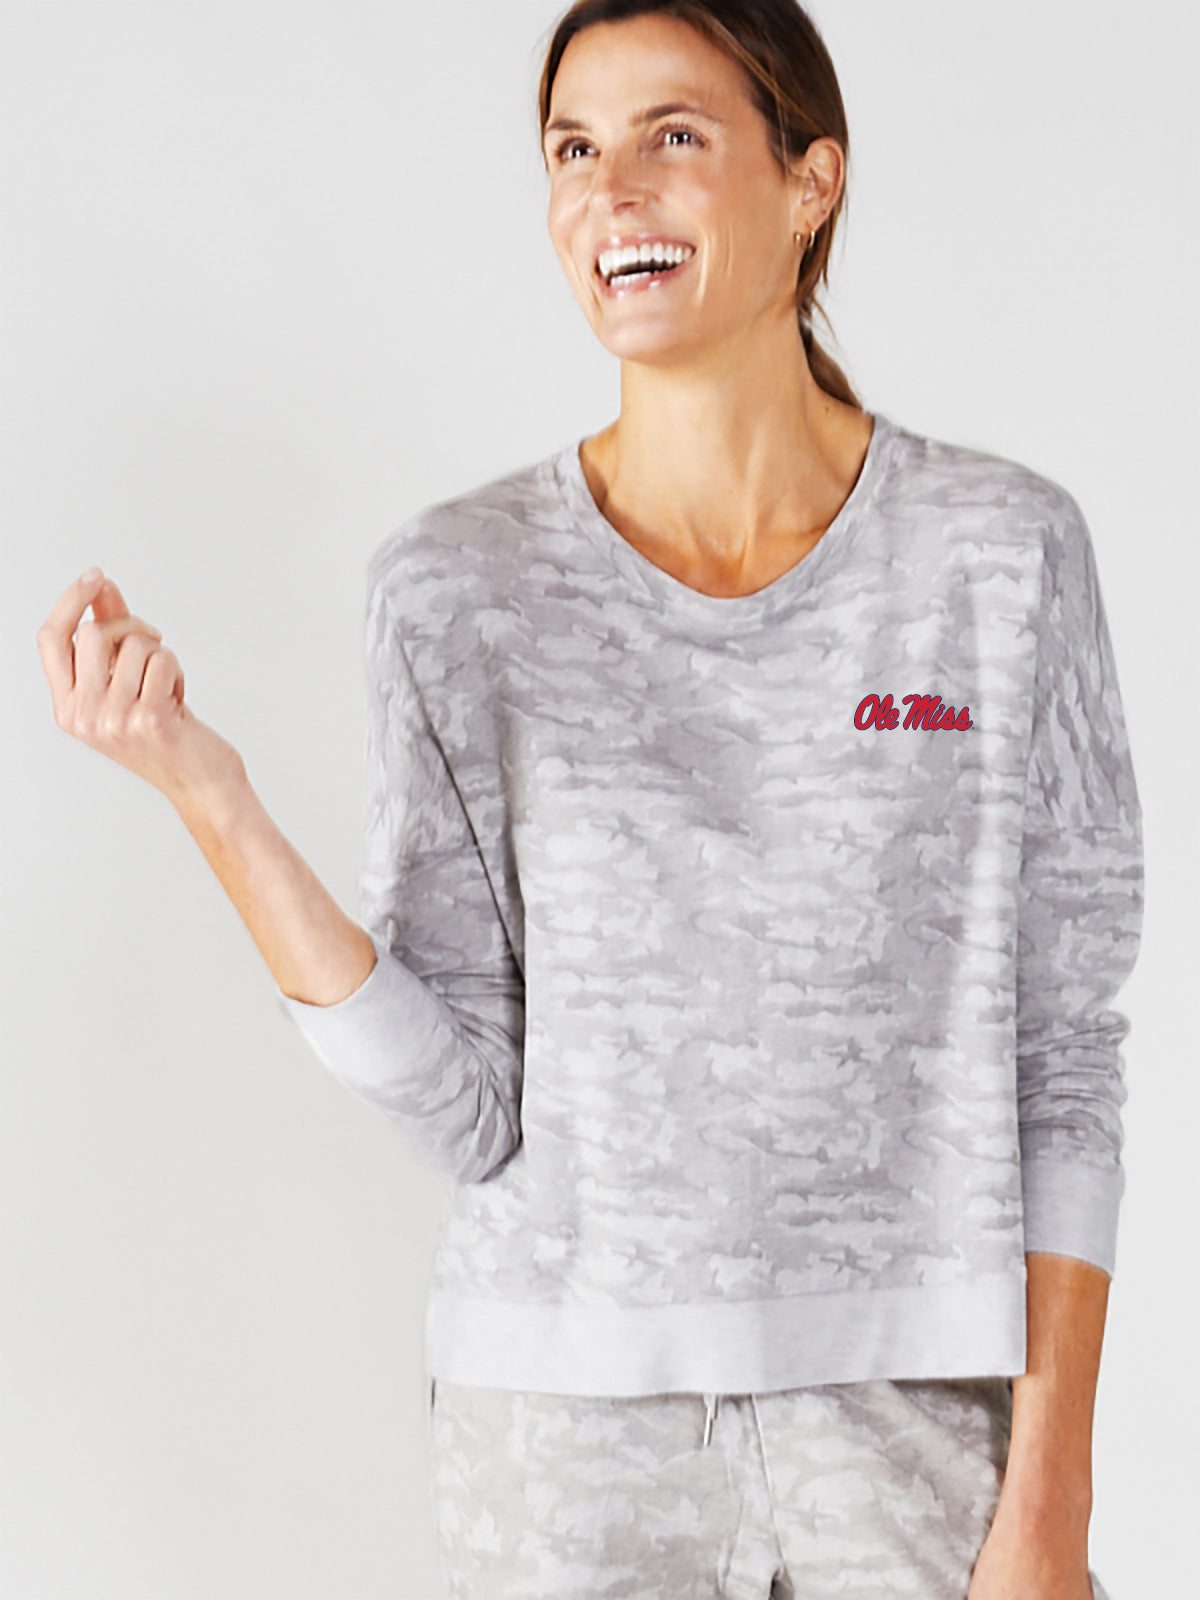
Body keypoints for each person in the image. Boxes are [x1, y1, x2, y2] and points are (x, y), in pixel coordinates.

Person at [36, 2, 1141, 1597]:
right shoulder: (455, 590)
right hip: (562, 1443)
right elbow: (466, 1108)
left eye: (672, 136)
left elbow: (1065, 1053)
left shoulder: (1000, 554)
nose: (610, 192)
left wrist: (1054, 1494)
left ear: (812, 180)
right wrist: (210, 797)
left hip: (913, 1426)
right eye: (572, 149)